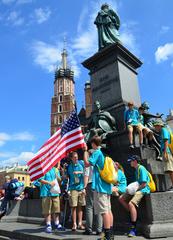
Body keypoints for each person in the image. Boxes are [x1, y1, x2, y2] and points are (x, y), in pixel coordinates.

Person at [83, 136, 114, 240]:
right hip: (107, 185)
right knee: (108, 210)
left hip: (100, 186)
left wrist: (85, 152)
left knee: (104, 211)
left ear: (93, 144)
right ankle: (110, 233)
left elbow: (87, 164)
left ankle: (107, 236)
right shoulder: (104, 152)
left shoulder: (97, 152)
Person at [119, 155, 150, 237]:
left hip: (143, 189)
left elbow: (144, 184)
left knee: (131, 204)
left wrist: (135, 190)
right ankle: (133, 214)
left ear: (135, 161)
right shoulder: (136, 169)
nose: (130, 163)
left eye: (131, 161)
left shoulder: (141, 168)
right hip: (138, 188)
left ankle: (134, 228)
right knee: (121, 198)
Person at [38, 167, 64, 233]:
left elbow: (59, 180)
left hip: (54, 191)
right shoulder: (43, 169)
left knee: (56, 208)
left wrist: (61, 175)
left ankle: (57, 223)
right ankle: (48, 224)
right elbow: (40, 180)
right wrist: (49, 183)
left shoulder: (55, 169)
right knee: (47, 210)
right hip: (46, 192)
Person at [67, 151, 85, 231]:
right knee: (73, 207)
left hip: (81, 187)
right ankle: (74, 223)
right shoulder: (69, 167)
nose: (76, 158)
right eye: (74, 157)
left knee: (80, 206)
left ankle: (80, 223)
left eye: (77, 156)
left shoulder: (81, 163)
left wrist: (79, 172)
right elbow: (69, 177)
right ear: (71, 158)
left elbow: (86, 173)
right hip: (73, 188)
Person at [153, 120, 173, 191]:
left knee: (170, 170)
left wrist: (164, 152)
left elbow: (166, 141)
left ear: (159, 126)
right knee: (170, 170)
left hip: (167, 151)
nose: (155, 128)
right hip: (165, 151)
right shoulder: (162, 131)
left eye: (155, 126)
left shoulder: (164, 130)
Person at [83, 164, 103, 235]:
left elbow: (86, 175)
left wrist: (84, 187)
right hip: (100, 185)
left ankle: (89, 229)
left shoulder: (89, 163)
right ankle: (99, 229)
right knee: (99, 207)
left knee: (89, 207)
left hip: (91, 184)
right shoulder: (101, 160)